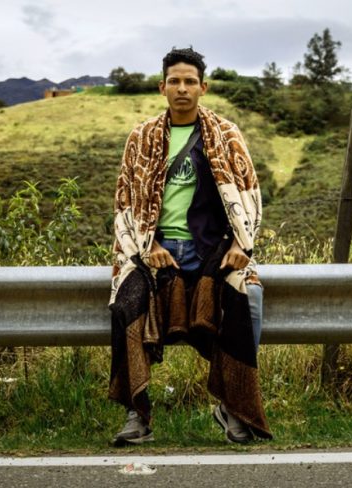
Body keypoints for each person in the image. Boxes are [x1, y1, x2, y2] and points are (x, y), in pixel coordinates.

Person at [107, 47, 270, 446]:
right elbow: (125, 202)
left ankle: (233, 406)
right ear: (162, 87)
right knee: (127, 306)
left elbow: (249, 194)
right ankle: (137, 412)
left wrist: (240, 245)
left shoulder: (226, 134)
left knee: (247, 300)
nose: (182, 89)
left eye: (190, 82)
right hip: (153, 252)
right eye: (175, 81)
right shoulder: (141, 138)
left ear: (203, 87)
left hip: (212, 249)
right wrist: (150, 246)